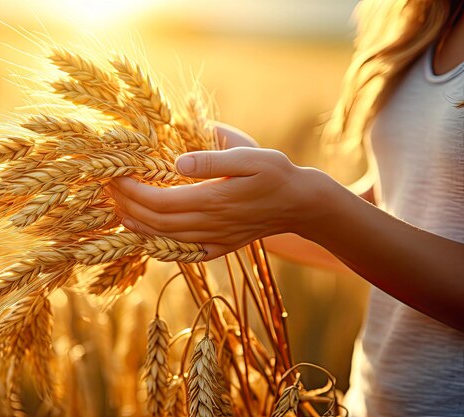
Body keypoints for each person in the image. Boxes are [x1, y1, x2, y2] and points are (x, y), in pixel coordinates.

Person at [106, 0, 464, 415]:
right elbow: (397, 209)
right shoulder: (422, 15)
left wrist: (310, 204)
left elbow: (341, 216)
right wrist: (256, 202)